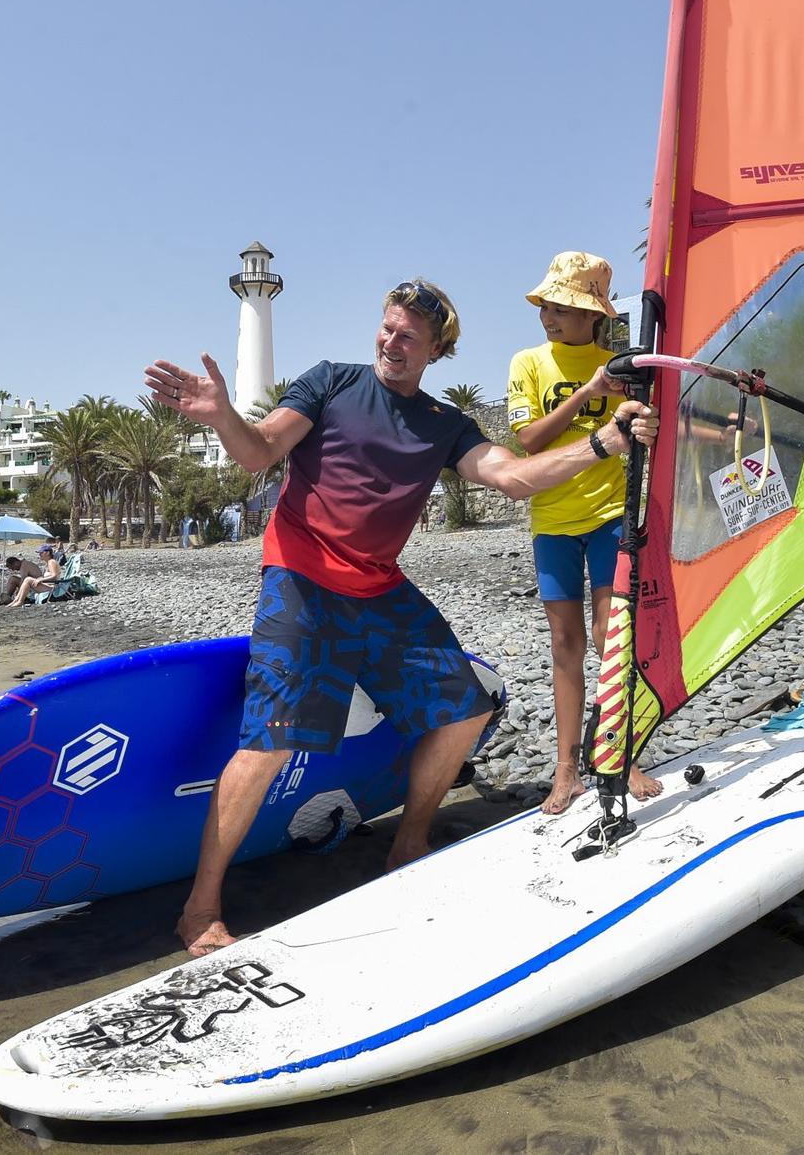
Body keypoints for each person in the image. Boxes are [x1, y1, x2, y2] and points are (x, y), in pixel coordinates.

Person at [146, 277, 658, 956]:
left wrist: (604, 444)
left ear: (436, 349)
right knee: (270, 738)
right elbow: (260, 450)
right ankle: (200, 907)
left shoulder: (445, 424)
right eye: (388, 328)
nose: (392, 341)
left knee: (466, 707)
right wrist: (221, 417)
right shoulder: (330, 382)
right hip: (300, 579)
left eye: (409, 335)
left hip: (380, 590)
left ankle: (409, 841)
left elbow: (512, 475)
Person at [508, 251, 664, 816]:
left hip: (608, 516)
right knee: (565, 644)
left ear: (592, 315)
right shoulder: (527, 362)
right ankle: (566, 768)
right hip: (552, 523)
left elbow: (649, 427)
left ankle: (621, 755)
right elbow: (529, 441)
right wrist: (587, 390)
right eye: (545, 306)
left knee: (609, 638)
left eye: (561, 307)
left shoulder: (626, 365)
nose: (548, 316)